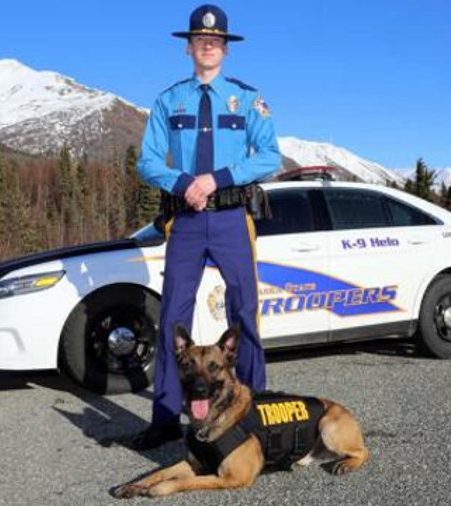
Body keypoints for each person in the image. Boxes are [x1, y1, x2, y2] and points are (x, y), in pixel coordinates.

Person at [133, 4, 281, 449]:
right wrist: (184, 184)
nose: (208, 46)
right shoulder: (168, 100)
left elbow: (270, 156)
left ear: (225, 49)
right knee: (173, 317)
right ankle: (164, 417)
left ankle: (255, 408)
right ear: (189, 47)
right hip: (187, 221)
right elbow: (148, 161)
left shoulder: (248, 99)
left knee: (245, 313)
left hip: (233, 218)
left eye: (215, 41)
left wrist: (216, 179)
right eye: (200, 40)